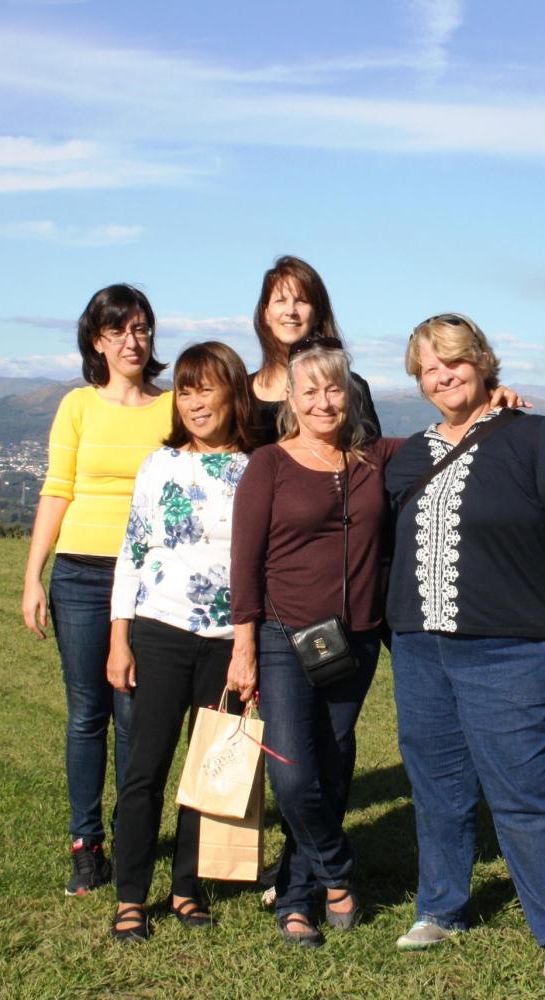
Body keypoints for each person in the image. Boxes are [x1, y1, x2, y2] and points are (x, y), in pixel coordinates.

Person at [382, 313, 545, 982]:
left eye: (452, 360)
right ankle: (440, 908)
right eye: (427, 367)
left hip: (507, 650)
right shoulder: (409, 453)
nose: (441, 374)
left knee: (524, 790)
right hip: (419, 649)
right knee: (438, 785)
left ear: (481, 362)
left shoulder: (531, 436)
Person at [227, 338, 399, 948]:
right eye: (311, 391)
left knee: (332, 763)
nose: (325, 401)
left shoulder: (376, 458)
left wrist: (492, 406)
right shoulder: (269, 464)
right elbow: (244, 562)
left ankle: (297, 899)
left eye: (335, 389)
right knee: (295, 776)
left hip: (355, 639)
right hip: (282, 634)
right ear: (291, 401)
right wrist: (243, 645)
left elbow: (448, 446)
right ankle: (339, 872)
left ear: (350, 396)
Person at [21, 284, 171, 896]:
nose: (132, 341)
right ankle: (87, 844)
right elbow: (57, 489)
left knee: (137, 715)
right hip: (81, 575)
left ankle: (130, 832)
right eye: (118, 331)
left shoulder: (170, 409)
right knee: (87, 714)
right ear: (96, 341)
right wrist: (33, 575)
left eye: (140, 329)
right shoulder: (77, 406)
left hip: (149, 580)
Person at [106, 341, 258, 941]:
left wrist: (251, 649)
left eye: (208, 388)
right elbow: (132, 552)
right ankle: (130, 896)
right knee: (144, 769)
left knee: (208, 770)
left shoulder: (257, 467)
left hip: (228, 640)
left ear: (233, 394)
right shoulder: (158, 465)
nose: (196, 402)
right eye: (186, 390)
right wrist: (120, 638)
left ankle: (187, 887)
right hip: (161, 629)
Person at [248, 255, 380, 442]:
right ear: (266, 314)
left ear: (317, 314)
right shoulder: (241, 392)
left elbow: (371, 457)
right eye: (280, 301)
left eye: (301, 301)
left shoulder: (352, 386)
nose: (291, 311)